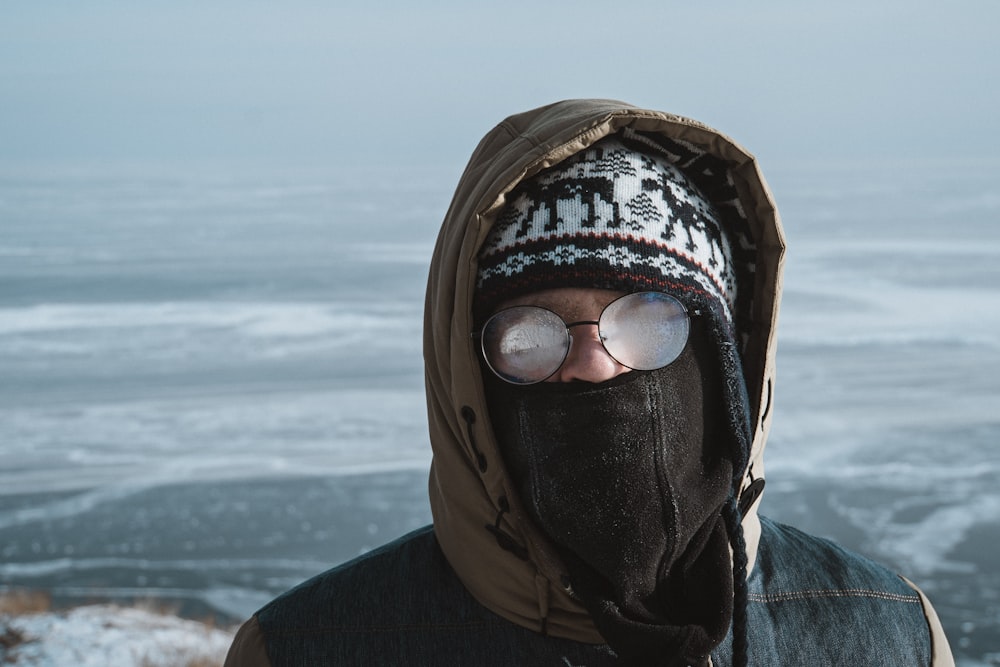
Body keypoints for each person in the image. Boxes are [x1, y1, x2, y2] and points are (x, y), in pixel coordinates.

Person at [224, 99, 954, 666]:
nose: (593, 366)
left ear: (723, 356)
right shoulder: (307, 649)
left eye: (648, 319)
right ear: (470, 373)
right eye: (530, 334)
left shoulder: (888, 636)